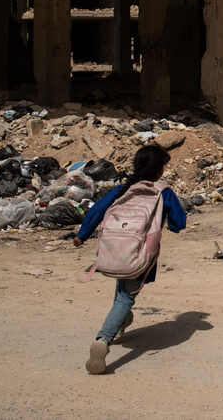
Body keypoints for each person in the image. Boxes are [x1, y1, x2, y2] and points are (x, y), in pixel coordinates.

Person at [73, 145, 187, 374]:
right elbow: (178, 223)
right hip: (141, 253)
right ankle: (103, 339)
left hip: (114, 249)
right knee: (126, 297)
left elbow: (96, 211)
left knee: (122, 285)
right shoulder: (163, 191)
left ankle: (122, 321)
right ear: (158, 170)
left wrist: (81, 235)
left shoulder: (123, 189)